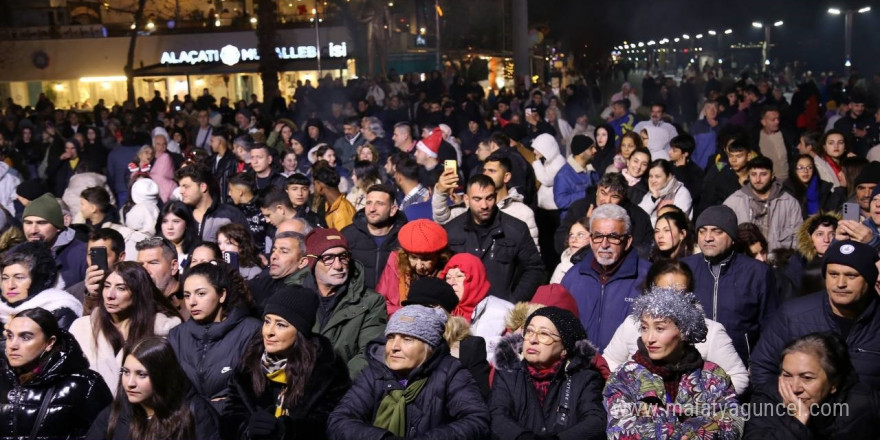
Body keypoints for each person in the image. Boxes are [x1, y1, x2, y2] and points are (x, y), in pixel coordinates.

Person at [327, 305, 490, 440]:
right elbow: (340, 420)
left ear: (429, 347)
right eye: (391, 337)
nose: (394, 347)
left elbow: (476, 420)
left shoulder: (450, 373)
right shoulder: (374, 372)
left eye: (407, 339)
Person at [603, 288, 743, 438]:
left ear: (683, 331)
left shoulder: (712, 376)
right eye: (644, 328)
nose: (649, 338)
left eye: (660, 328)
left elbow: (732, 421)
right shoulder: (624, 377)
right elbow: (620, 431)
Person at [223, 286, 351, 439]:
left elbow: (330, 425)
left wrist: (285, 431)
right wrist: (246, 429)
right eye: (267, 321)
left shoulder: (327, 370)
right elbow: (229, 417)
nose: (269, 331)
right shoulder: (249, 362)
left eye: (281, 325)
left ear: (300, 331)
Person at [603, 260, 749, 394]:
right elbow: (609, 360)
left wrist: (700, 400)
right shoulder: (632, 324)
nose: (671, 299)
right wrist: (625, 389)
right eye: (664, 292)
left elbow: (738, 377)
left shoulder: (711, 331)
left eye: (680, 293)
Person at [750, 240, 880, 388]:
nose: (840, 283)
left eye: (851, 276)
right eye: (833, 274)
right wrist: (786, 405)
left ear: (869, 279)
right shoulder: (792, 316)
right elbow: (762, 367)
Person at [490, 307, 607, 440]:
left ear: (564, 347)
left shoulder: (584, 378)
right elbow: (497, 416)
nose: (533, 340)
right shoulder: (508, 373)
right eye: (529, 331)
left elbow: (595, 421)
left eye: (544, 334)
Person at [681, 205, 778, 363]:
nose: (708, 237)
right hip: (692, 365)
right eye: (702, 231)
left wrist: (760, 364)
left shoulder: (757, 272)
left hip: (740, 364)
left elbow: (770, 326)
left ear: (732, 237)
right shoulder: (684, 269)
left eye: (717, 231)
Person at [285, 228, 388, 378]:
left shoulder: (370, 301)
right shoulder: (291, 294)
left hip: (343, 385)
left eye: (343, 257)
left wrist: (335, 381)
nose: (338, 266)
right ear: (313, 262)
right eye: (328, 258)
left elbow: (371, 351)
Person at [69, 261, 182, 396]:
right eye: (106, 286)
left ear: (138, 293)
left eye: (121, 288)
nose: (110, 295)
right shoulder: (82, 328)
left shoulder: (163, 333)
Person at [0, 308, 112, 438]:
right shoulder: (3, 377)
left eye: (25, 337)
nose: (13, 345)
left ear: (49, 342)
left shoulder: (85, 384)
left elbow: (104, 433)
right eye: (10, 336)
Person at [744, 333, 880, 439]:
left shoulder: (865, 404)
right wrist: (796, 421)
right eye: (787, 375)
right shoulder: (769, 397)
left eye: (807, 378)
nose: (795, 388)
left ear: (833, 384)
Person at [168, 262, 261, 413]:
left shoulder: (251, 331)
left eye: (201, 293)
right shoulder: (177, 335)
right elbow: (170, 391)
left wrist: (207, 406)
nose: (192, 302)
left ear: (222, 295)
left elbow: (251, 393)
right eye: (187, 295)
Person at [86, 337, 221, 440]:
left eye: (142, 374)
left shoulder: (195, 412)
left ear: (162, 375)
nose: (130, 383)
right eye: (126, 372)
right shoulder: (114, 412)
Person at [561, 204, 650, 350]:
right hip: (580, 367)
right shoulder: (573, 277)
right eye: (598, 236)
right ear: (590, 240)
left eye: (613, 237)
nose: (604, 244)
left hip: (627, 369)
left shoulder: (647, 277)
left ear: (627, 241)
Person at [444, 174, 545, 302]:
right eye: (477, 199)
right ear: (466, 199)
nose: (484, 205)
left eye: (489, 198)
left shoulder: (516, 229)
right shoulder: (451, 230)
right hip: (461, 310)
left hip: (502, 311)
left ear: (496, 197)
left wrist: (513, 302)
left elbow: (534, 268)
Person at [401, 276, 492, 398]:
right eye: (413, 307)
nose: (419, 313)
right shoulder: (395, 343)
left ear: (443, 311)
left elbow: (480, 396)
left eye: (426, 307)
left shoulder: (470, 347)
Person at [724, 156, 802, 250]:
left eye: (763, 174)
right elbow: (723, 234)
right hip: (746, 261)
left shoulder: (789, 203)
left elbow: (798, 237)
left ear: (772, 175)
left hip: (780, 261)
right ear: (748, 175)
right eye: (753, 174)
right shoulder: (734, 202)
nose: (758, 179)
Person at [376, 219, 452, 315]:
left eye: (426, 259)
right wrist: (408, 314)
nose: (419, 266)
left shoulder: (451, 271)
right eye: (414, 257)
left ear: (439, 256)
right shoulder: (395, 263)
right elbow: (379, 303)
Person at [0, 241, 82, 329]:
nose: (10, 285)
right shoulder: (2, 312)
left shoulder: (60, 310)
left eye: (19, 278)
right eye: (5, 278)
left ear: (39, 279)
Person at [342, 184, 406, 289]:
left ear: (393, 210)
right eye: (368, 203)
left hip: (393, 303)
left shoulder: (405, 236)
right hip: (358, 302)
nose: (372, 209)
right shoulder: (348, 235)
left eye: (379, 204)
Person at [22, 193, 88, 287]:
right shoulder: (16, 255)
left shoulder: (83, 255)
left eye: (41, 223)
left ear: (58, 226)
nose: (33, 230)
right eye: (28, 223)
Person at [175, 163, 247, 243]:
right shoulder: (180, 214)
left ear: (203, 187)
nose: (181, 191)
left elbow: (246, 247)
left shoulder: (230, 215)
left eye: (186, 186)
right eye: (180, 187)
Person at [136, 236, 188, 319]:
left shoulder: (190, 302)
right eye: (140, 265)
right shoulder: (136, 301)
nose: (144, 270)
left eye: (153, 263)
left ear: (173, 266)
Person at [782, 154, 845, 218]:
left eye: (809, 167)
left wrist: (841, 189)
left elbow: (831, 209)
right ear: (794, 170)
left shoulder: (823, 187)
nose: (805, 171)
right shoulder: (788, 190)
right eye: (800, 168)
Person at [792, 212, 838, 295]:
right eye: (820, 234)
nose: (826, 240)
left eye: (832, 234)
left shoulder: (845, 261)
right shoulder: (798, 262)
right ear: (809, 238)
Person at [553, 134, 599, 215]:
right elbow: (561, 202)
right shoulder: (564, 175)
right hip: (573, 220)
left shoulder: (592, 170)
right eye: (591, 148)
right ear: (581, 152)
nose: (595, 150)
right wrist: (587, 193)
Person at [638, 159, 693, 225]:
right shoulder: (652, 193)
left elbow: (676, 221)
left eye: (657, 176)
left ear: (669, 177)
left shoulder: (682, 193)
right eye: (651, 176)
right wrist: (653, 198)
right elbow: (639, 215)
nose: (653, 180)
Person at [157, 201, 199, 270]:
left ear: (187, 223)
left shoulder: (197, 249)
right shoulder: (153, 248)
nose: (170, 227)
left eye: (176, 221)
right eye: (165, 221)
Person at [531, 133, 566, 211]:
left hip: (552, 207)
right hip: (546, 205)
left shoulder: (559, 162)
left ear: (546, 148)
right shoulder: (551, 159)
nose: (534, 151)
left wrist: (537, 163)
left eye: (537, 149)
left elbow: (547, 180)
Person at [550, 217, 591, 283]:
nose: (573, 240)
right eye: (571, 235)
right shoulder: (561, 266)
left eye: (580, 235)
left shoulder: (600, 266)